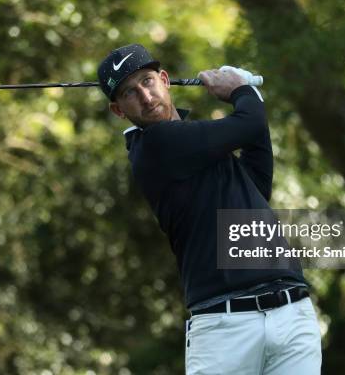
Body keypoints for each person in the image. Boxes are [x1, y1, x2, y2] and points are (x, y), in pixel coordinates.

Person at [97, 44, 321, 374]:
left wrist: (248, 97)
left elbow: (257, 186)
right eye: (129, 93)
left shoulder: (196, 143)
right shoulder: (154, 147)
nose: (144, 96)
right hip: (224, 327)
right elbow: (248, 124)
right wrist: (241, 89)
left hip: (291, 313)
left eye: (147, 81)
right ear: (119, 110)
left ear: (164, 79)